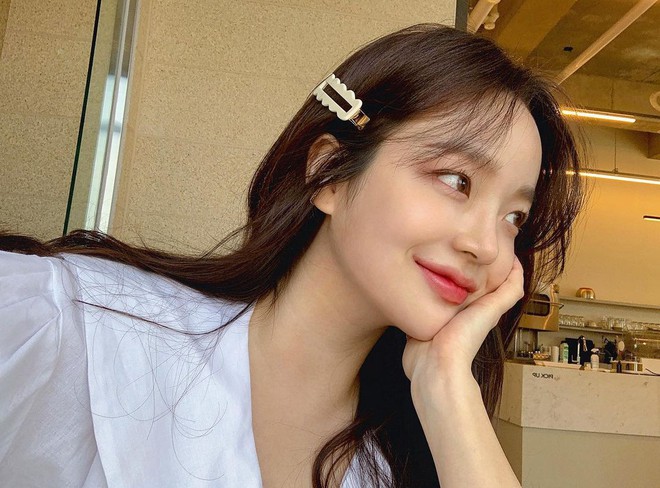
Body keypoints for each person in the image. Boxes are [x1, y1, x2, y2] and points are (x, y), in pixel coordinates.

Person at [0, 23, 584, 488]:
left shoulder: (407, 456)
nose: (486, 245)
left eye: (515, 217)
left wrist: (449, 389)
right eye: (457, 181)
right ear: (329, 172)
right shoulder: (65, 326)